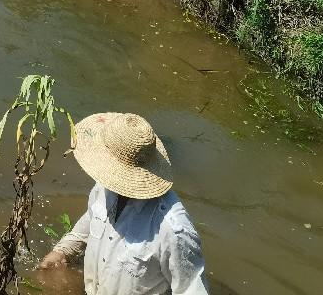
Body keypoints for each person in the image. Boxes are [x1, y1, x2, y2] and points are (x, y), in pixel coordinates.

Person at [36, 112, 209, 294]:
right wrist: (61, 251)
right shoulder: (104, 187)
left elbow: (192, 290)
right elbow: (89, 223)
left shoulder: (173, 230)